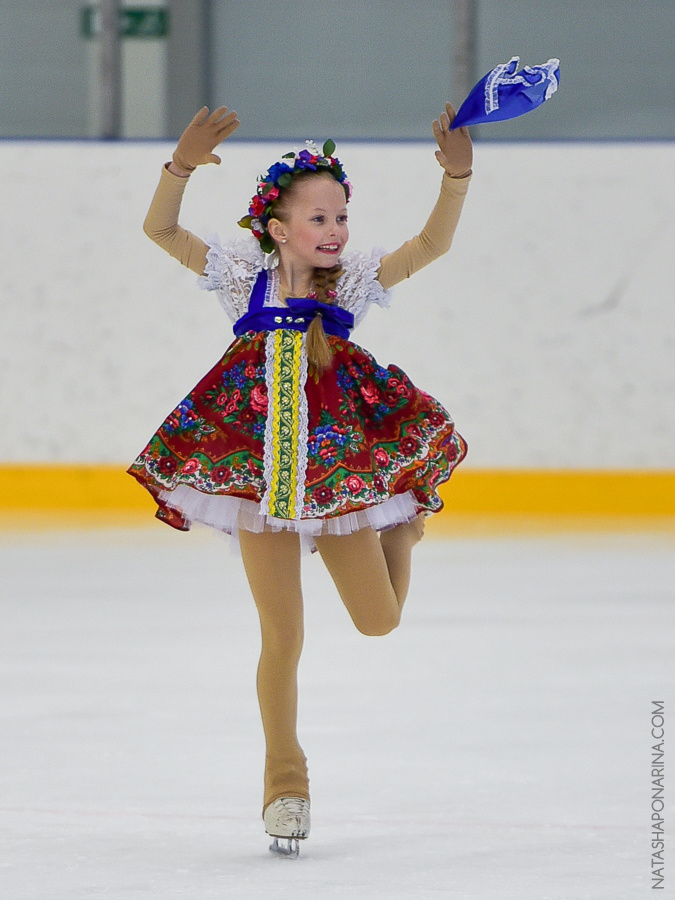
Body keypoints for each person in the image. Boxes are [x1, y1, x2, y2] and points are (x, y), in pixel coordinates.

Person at [128, 103, 472, 856]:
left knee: (377, 622)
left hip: (340, 486)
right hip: (255, 486)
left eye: (342, 215)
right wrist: (178, 167)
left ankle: (403, 526)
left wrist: (455, 176)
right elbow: (159, 231)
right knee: (280, 636)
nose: (335, 228)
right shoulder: (238, 275)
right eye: (319, 216)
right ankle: (285, 784)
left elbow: (431, 245)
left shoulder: (346, 282)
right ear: (277, 227)